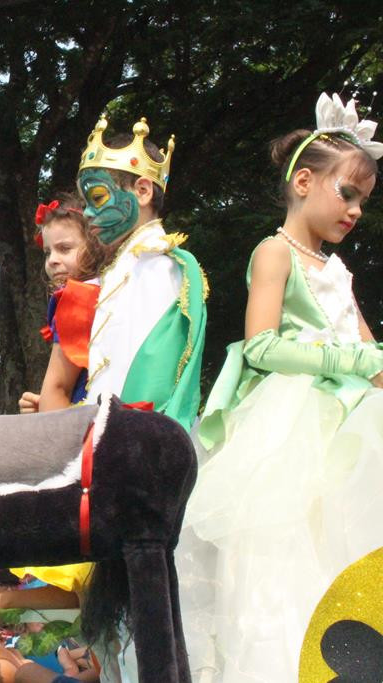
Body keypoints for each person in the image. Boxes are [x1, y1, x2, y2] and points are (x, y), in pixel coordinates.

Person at [179, 92, 383, 682]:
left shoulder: (339, 271)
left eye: (363, 202)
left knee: (345, 547)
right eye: (347, 194)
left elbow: (369, 351)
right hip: (292, 421)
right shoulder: (274, 251)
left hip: (349, 420)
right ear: (303, 181)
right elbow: (261, 345)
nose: (355, 212)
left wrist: (368, 363)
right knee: (280, 557)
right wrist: (349, 358)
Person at [75, 115, 206, 429]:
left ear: (143, 191)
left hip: (135, 437)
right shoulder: (128, 266)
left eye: (98, 197)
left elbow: (156, 371)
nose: (88, 213)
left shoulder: (160, 266)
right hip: (109, 434)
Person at [19, 195, 105, 413]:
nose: (52, 260)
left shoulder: (79, 299)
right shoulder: (107, 291)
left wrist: (49, 403)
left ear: (95, 246)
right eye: (48, 252)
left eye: (64, 248)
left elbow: (57, 387)